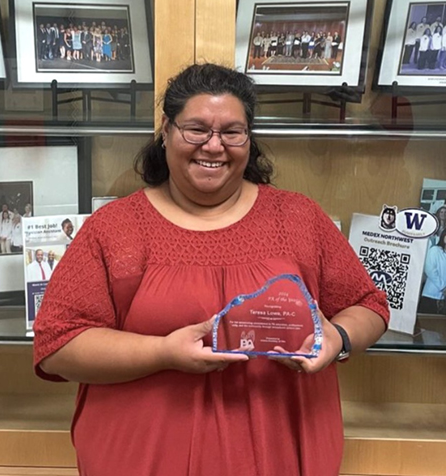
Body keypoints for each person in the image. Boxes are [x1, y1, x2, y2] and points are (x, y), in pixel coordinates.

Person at [33, 63, 389, 476]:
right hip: (140, 457)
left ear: (248, 139)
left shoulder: (298, 217)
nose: (214, 146)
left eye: (231, 132)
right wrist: (162, 352)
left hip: (282, 451)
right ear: (166, 130)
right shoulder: (116, 229)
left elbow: (368, 305)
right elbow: (57, 344)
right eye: (196, 129)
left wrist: (339, 339)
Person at [419, 229, 446, 315]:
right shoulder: (435, 250)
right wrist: (442, 286)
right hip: (430, 296)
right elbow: (429, 269)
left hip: (443, 299)